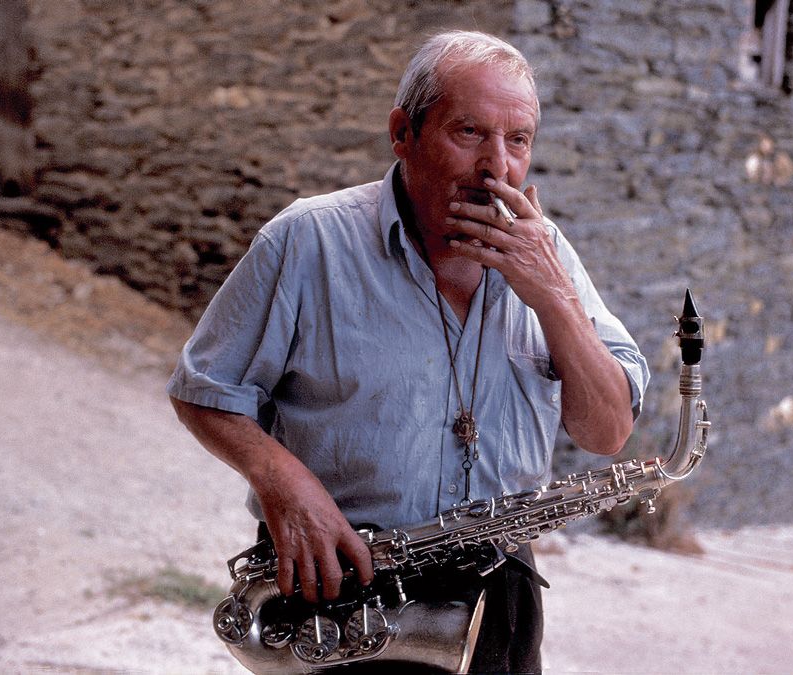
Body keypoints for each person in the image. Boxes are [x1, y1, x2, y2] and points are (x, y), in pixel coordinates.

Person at [168, 30, 648, 673]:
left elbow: (607, 429)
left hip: (498, 597)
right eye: (469, 132)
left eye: (519, 140)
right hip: (340, 595)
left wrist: (553, 298)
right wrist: (282, 480)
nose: (497, 168)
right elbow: (205, 389)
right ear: (403, 133)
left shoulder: (548, 255)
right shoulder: (307, 241)